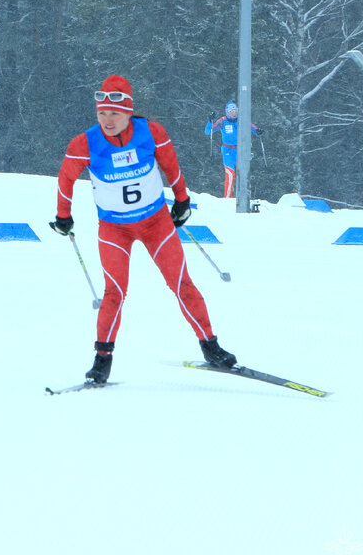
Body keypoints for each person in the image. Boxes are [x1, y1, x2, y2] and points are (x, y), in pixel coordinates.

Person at [50, 74, 237, 384]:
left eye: (115, 114)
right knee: (114, 293)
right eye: (102, 113)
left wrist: (182, 200)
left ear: (128, 112)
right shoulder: (85, 143)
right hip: (114, 229)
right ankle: (102, 361)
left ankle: (211, 347)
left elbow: (170, 165)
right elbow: (65, 177)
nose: (108, 120)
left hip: (156, 224)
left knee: (182, 285)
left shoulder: (151, 132)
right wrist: (63, 215)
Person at [204, 100, 259, 198]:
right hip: (228, 151)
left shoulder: (241, 120)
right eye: (231, 111)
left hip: (240, 151)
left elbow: (252, 127)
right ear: (227, 112)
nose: (234, 113)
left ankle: (246, 198)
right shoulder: (223, 121)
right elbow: (208, 131)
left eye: (235, 111)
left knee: (244, 174)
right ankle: (228, 198)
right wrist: (210, 121)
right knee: (230, 174)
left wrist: (257, 131)